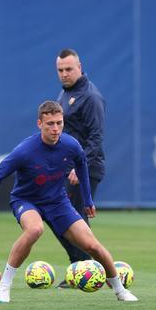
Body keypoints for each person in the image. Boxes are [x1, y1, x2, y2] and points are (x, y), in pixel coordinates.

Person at [0, 101, 137, 303]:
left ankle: (120, 290)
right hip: (26, 200)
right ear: (39, 124)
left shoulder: (71, 145)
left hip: (58, 202)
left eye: (59, 123)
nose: (55, 128)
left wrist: (87, 200)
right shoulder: (25, 150)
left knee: (92, 246)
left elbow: (83, 167)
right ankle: (4, 286)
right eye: (50, 123)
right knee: (35, 230)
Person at [55, 48, 106, 287]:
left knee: (75, 219)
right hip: (64, 169)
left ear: (80, 67)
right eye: (60, 70)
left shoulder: (90, 96)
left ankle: (84, 271)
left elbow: (96, 138)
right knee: (56, 217)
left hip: (84, 169)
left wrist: (79, 167)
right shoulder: (65, 95)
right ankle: (80, 266)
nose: (64, 74)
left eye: (69, 69)